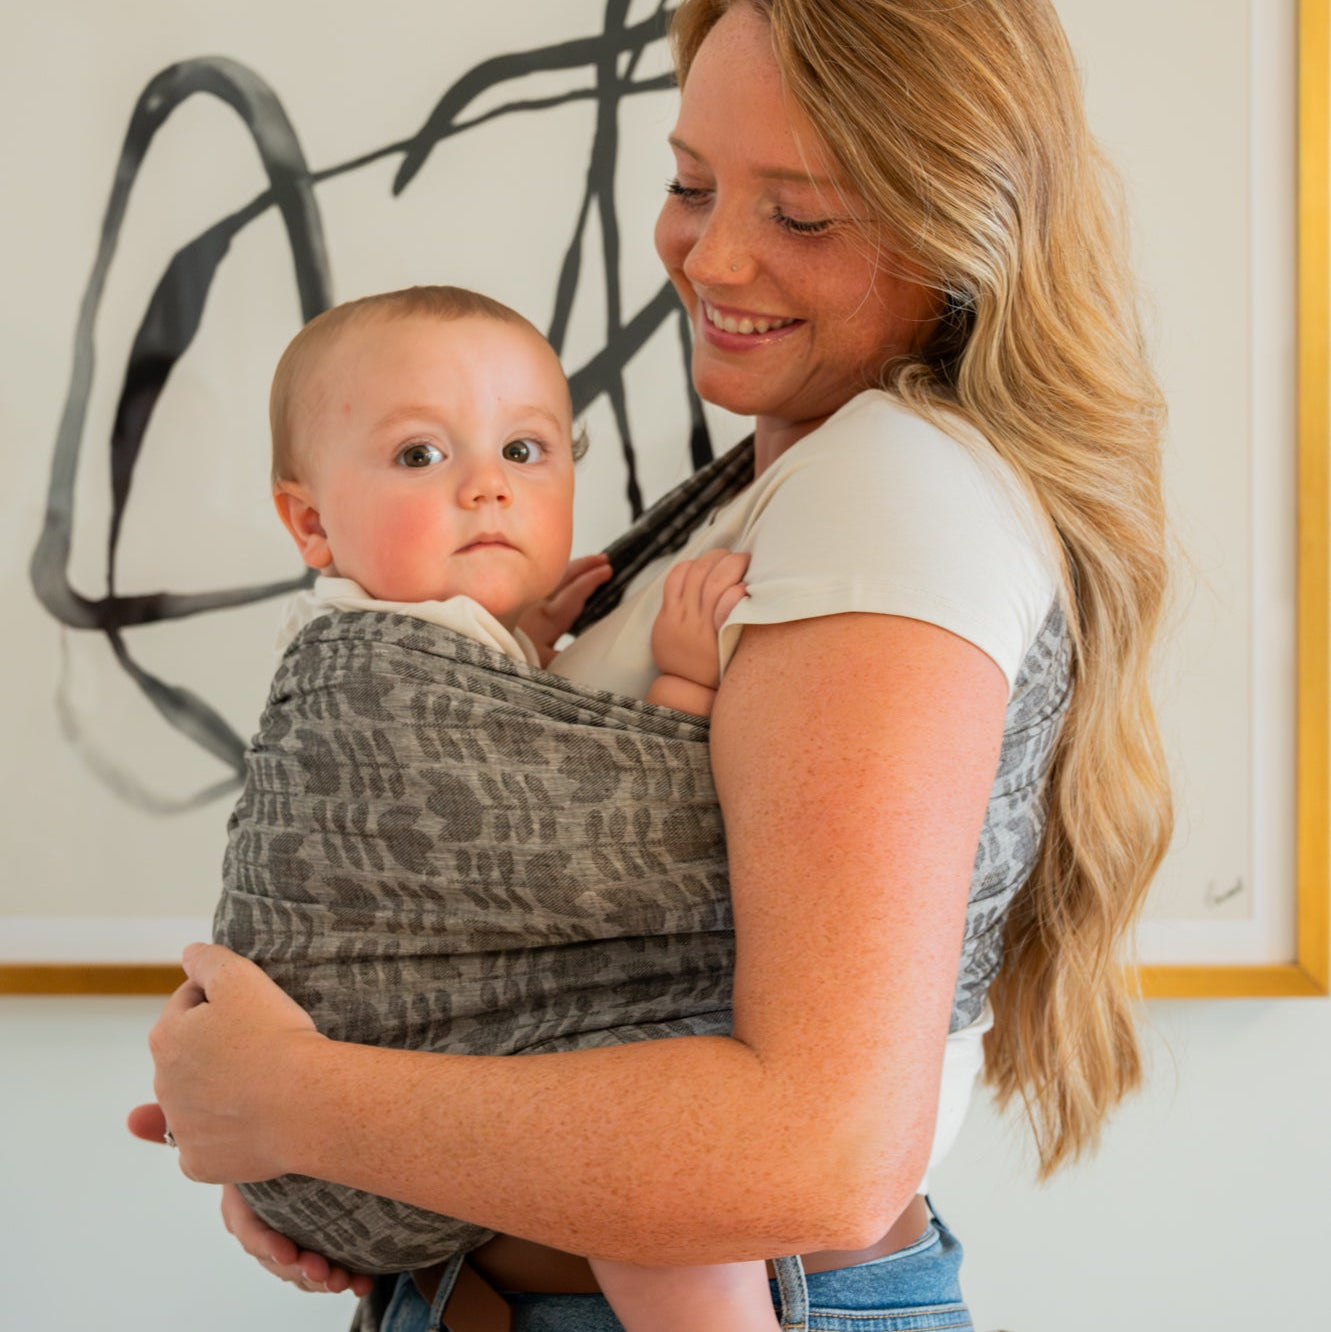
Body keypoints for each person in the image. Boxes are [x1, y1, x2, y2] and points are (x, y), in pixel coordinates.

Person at [132, 2, 1173, 1329]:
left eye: (798, 214)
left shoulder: (889, 491)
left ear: (958, 222)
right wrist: (327, 1110)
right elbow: (516, 917)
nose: (713, 253)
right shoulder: (781, 477)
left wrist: (290, 1098)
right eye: (689, 184)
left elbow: (819, 1152)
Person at [219, 282, 779, 1331]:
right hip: (409, 1112)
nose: (486, 488)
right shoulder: (364, 674)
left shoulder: (471, 648)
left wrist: (528, 649)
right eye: (421, 456)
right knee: (658, 1193)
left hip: (408, 1191)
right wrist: (684, 691)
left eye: (525, 452)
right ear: (310, 520)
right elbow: (624, 837)